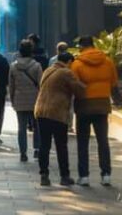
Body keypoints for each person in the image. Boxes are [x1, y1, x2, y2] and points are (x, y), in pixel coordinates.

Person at [71, 35, 119, 186]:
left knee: (83, 142)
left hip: (84, 106)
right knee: (102, 141)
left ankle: (84, 176)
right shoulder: (108, 61)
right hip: (102, 105)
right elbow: (114, 82)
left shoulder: (77, 64)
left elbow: (74, 84)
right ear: (93, 45)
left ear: (81, 47)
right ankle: (106, 174)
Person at [34, 51, 86, 187]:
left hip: (41, 110)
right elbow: (79, 90)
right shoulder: (66, 73)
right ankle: (64, 176)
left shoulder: (48, 70)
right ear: (69, 62)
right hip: (57, 112)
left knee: (44, 145)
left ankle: (44, 176)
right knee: (61, 145)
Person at [9, 38, 42, 161]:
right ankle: (37, 150)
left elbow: (11, 86)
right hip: (35, 100)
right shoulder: (37, 66)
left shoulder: (13, 66)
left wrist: (12, 100)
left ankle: (23, 153)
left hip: (20, 100)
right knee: (36, 127)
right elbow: (41, 84)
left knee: (21, 128)